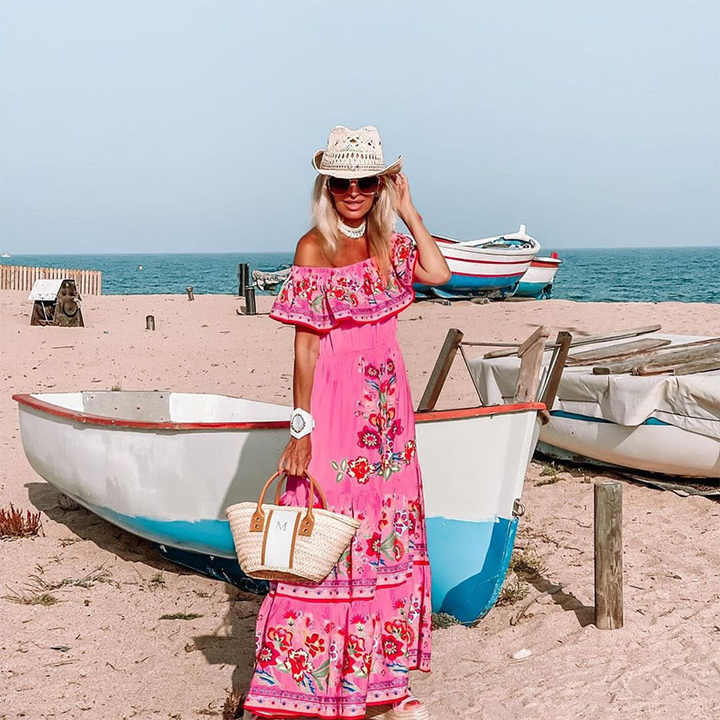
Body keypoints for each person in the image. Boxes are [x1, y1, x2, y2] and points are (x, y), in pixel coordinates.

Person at [243, 126, 451, 720]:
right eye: (342, 182)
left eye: (365, 181)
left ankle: (384, 684)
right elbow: (305, 348)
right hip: (335, 403)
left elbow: (438, 273)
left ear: (379, 184)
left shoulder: (389, 243)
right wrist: (300, 429)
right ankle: (311, 686)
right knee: (333, 526)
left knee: (387, 530)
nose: (353, 192)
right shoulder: (313, 247)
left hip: (389, 410)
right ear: (327, 186)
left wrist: (408, 209)